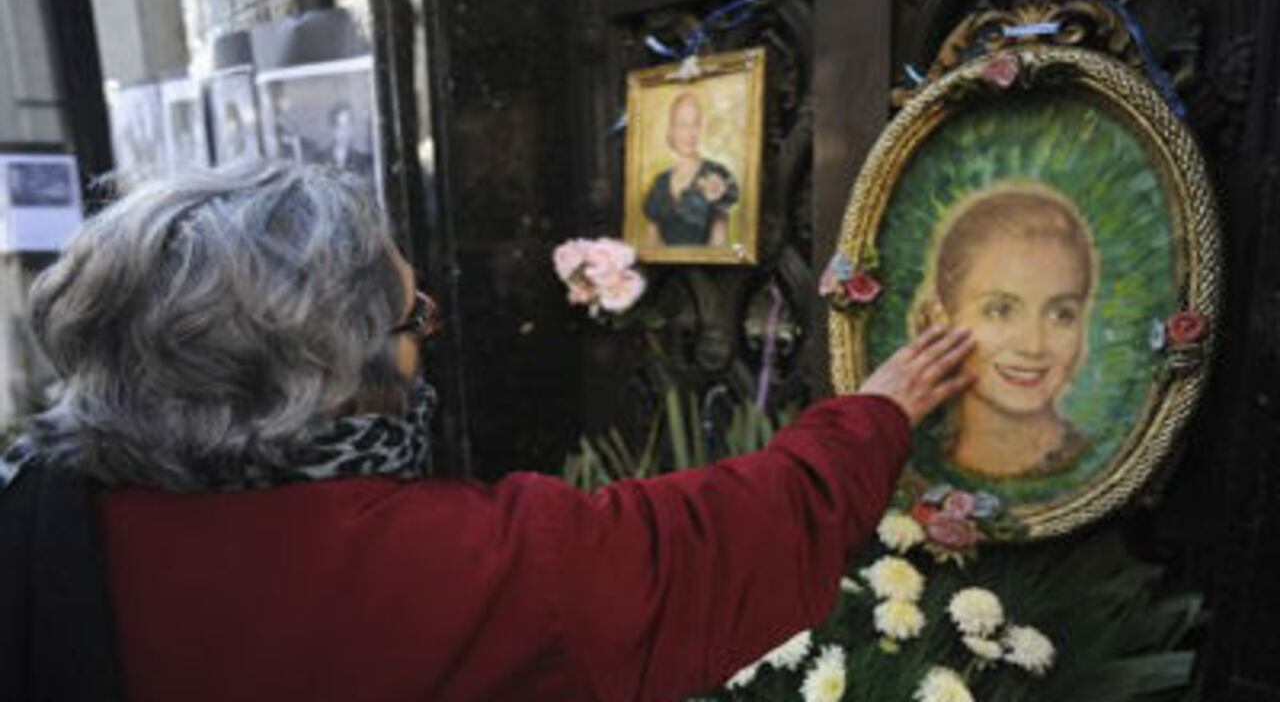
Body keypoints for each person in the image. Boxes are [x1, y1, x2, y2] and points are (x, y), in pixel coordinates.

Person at [0, 164, 973, 702]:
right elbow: (714, 542)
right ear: (327, 374)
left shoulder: (34, 513)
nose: (425, 341)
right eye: (413, 322)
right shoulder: (455, 571)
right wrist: (875, 414)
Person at [910, 180, 1098, 479]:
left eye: (1061, 314)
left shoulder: (1100, 465)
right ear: (941, 320)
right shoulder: (916, 468)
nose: (1033, 345)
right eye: (1000, 310)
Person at [642, 92, 739, 247]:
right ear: (672, 130)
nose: (690, 134)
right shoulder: (659, 184)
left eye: (695, 124)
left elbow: (719, 244)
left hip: (709, 269)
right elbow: (651, 244)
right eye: (683, 125)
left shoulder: (717, 173)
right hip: (663, 270)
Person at [324, 102, 374, 177]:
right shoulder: (320, 159)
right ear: (332, 130)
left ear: (352, 129)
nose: (344, 132)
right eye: (339, 127)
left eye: (347, 126)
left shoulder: (362, 161)